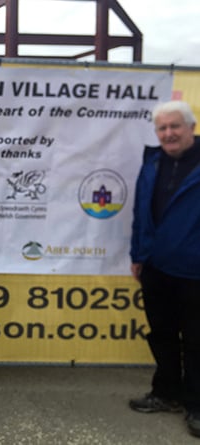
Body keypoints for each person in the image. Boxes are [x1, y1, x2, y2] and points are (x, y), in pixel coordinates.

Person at [129, 100, 200, 438]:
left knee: (198, 341)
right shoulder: (153, 163)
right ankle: (167, 393)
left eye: (175, 126)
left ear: (191, 127)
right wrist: (138, 254)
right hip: (156, 269)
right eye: (162, 128)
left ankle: (197, 406)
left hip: (195, 272)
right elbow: (141, 213)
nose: (168, 133)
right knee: (162, 336)